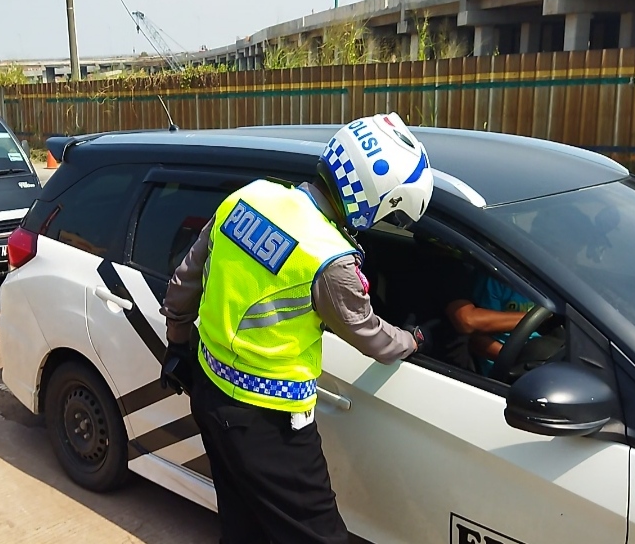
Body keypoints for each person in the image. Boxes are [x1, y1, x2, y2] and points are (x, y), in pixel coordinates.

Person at [160, 112, 434, 544]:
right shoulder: (330, 259)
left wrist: (178, 347)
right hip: (270, 423)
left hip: (208, 388)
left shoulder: (248, 197)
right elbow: (372, 337)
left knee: (241, 523)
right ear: (375, 198)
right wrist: (413, 340)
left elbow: (183, 284)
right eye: (391, 212)